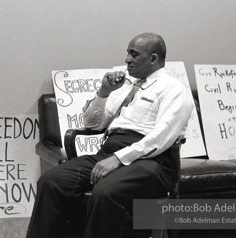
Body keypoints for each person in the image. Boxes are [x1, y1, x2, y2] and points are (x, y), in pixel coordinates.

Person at [27, 32, 194, 238]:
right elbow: (92, 123)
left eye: (134, 54)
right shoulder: (124, 86)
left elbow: (161, 138)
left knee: (105, 192)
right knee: (51, 181)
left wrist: (119, 159)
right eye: (127, 53)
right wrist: (104, 92)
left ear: (153, 58)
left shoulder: (173, 89)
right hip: (109, 151)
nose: (127, 60)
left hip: (151, 162)